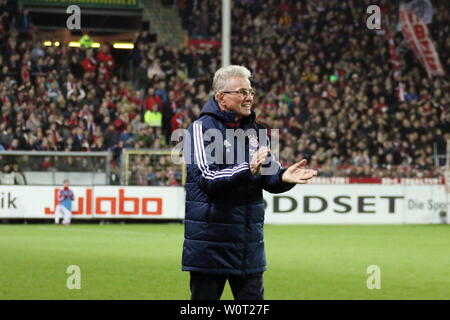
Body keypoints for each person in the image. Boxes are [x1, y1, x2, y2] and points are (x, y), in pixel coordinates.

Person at [182, 65, 318, 300]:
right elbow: (208, 179)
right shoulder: (200, 129)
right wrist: (247, 168)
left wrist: (283, 177)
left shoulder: (257, 131)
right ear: (221, 98)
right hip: (210, 247)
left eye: (251, 91)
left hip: (248, 247)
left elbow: (268, 175)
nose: (249, 98)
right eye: (242, 92)